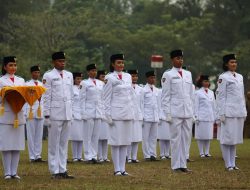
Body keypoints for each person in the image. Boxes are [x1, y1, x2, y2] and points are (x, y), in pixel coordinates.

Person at [161, 49, 194, 172]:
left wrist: (193, 112)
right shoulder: (168, 74)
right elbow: (165, 96)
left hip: (187, 111)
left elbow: (191, 95)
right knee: (175, 139)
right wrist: (167, 113)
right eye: (177, 58)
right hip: (175, 111)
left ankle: (183, 164)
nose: (180, 60)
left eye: (181, 58)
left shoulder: (188, 74)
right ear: (172, 60)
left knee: (186, 139)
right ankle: (175, 165)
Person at [43, 51, 74, 179]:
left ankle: (63, 169)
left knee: (63, 143)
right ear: (53, 62)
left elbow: (71, 95)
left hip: (67, 112)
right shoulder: (48, 75)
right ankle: (54, 170)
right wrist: (46, 115)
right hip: (55, 113)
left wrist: (71, 112)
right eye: (60, 61)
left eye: (63, 61)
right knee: (53, 143)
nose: (62, 63)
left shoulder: (69, 75)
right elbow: (46, 96)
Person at [103, 53, 133, 176]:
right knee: (116, 142)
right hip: (115, 114)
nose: (121, 65)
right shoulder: (109, 77)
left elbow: (131, 95)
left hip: (127, 112)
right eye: (118, 63)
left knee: (125, 142)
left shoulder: (128, 76)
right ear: (113, 64)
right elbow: (106, 98)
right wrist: (107, 115)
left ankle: (123, 169)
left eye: (122, 62)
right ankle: (117, 169)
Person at [216, 53, 247, 171]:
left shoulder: (240, 77)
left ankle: (233, 163)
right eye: (231, 62)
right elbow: (220, 96)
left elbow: (241, 96)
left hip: (238, 111)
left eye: (235, 62)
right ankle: (227, 164)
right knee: (226, 138)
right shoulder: (223, 77)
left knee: (234, 139)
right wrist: (221, 113)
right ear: (226, 64)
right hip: (228, 111)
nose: (234, 64)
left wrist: (244, 111)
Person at [0, 56, 25, 180]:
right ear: (5, 67)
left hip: (18, 114)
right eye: (10, 65)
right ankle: (7, 172)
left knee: (16, 145)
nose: (13, 68)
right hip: (6, 114)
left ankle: (14, 172)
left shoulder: (21, 80)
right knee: (6, 145)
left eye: (15, 65)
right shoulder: (1, 80)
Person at [80, 64, 103, 163]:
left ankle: (94, 156)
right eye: (92, 71)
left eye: (95, 70)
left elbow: (102, 98)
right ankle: (88, 156)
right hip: (88, 112)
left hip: (98, 112)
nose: (94, 72)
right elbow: (81, 99)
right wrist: (83, 113)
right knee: (87, 136)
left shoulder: (100, 83)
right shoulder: (84, 83)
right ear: (88, 72)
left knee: (95, 136)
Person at [25, 65, 46, 162]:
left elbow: (44, 99)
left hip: (40, 111)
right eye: (35, 72)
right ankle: (32, 156)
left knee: (39, 135)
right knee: (31, 135)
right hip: (31, 111)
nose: (37, 74)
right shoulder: (27, 84)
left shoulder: (42, 84)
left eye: (38, 72)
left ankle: (38, 155)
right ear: (31, 73)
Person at [194, 75, 216, 158]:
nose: (206, 83)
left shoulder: (211, 92)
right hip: (201, 116)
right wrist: (196, 116)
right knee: (200, 135)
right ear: (201, 82)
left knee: (208, 135)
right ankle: (201, 152)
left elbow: (214, 105)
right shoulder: (198, 93)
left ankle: (207, 152)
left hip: (210, 116)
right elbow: (195, 105)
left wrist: (215, 116)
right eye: (204, 81)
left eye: (207, 81)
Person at [142, 71, 160, 161]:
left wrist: (159, 116)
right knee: (145, 137)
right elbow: (141, 104)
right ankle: (147, 155)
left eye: (154, 77)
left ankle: (153, 154)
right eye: (151, 77)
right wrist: (142, 116)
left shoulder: (156, 90)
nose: (153, 79)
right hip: (146, 116)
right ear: (147, 78)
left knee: (154, 137)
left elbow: (158, 104)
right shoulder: (143, 90)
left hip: (155, 116)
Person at [127, 69, 143, 163]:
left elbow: (141, 103)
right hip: (129, 114)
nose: (135, 78)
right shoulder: (126, 87)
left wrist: (141, 114)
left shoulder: (140, 88)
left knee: (136, 137)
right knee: (129, 137)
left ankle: (134, 156)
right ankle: (128, 156)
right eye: (133, 76)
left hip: (138, 114)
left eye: (136, 76)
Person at [69, 72, 84, 162]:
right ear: (74, 80)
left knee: (81, 136)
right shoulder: (72, 88)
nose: (79, 81)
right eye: (77, 79)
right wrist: (71, 113)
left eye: (80, 79)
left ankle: (79, 156)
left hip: (82, 113)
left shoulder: (83, 88)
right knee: (75, 136)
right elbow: (70, 101)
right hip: (74, 113)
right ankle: (75, 156)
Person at [97, 70, 110, 162]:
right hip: (98, 112)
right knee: (99, 137)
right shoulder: (97, 86)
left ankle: (105, 156)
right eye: (102, 77)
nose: (104, 78)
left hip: (107, 113)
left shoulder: (108, 86)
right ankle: (100, 156)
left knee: (105, 137)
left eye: (105, 77)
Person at [158, 88, 171, 160]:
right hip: (162, 117)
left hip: (169, 116)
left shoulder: (170, 91)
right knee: (162, 137)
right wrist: (160, 116)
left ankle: (167, 153)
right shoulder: (160, 92)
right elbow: (158, 105)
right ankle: (162, 153)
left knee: (168, 137)